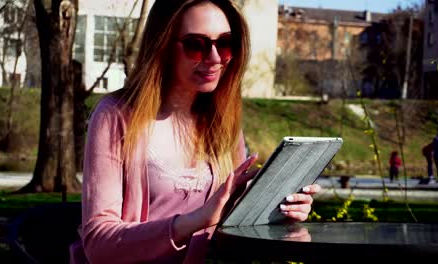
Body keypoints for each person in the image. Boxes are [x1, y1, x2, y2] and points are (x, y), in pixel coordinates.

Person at [70, 1, 321, 263]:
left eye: (225, 43)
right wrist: (195, 220)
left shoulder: (223, 123)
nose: (215, 59)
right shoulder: (116, 116)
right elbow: (99, 245)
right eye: (196, 45)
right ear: (163, 46)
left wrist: (277, 213)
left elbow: (230, 233)